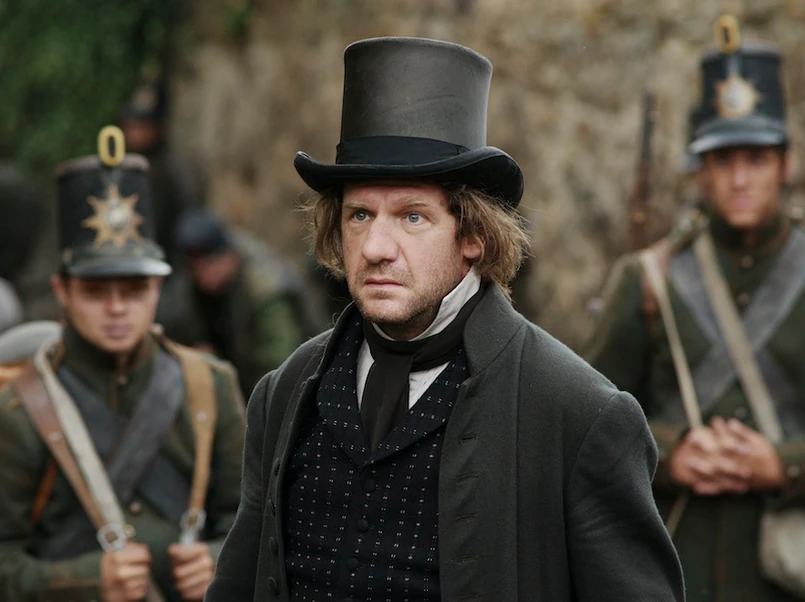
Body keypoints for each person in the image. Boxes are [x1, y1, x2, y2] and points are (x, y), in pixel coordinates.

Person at [206, 36, 684, 602]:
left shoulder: (580, 416)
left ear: (473, 236)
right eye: (360, 215)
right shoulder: (284, 394)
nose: (376, 248)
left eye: (412, 217)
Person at [584, 17, 805, 601]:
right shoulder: (648, 279)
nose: (740, 178)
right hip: (672, 576)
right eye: (723, 159)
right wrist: (667, 454)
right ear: (700, 170)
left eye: (756, 158)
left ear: (785, 164)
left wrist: (783, 466)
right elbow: (585, 424)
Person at [0, 126, 246, 602]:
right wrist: (86, 580)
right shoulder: (19, 409)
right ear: (62, 291)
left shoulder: (211, 386)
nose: (117, 309)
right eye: (96, 291)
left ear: (157, 289)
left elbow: (251, 522)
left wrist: (219, 561)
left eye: (134, 290)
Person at [173, 208, 318, 397]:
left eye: (209, 265)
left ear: (229, 257)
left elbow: (281, 364)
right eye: (194, 269)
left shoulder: (266, 290)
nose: (202, 278)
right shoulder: (202, 285)